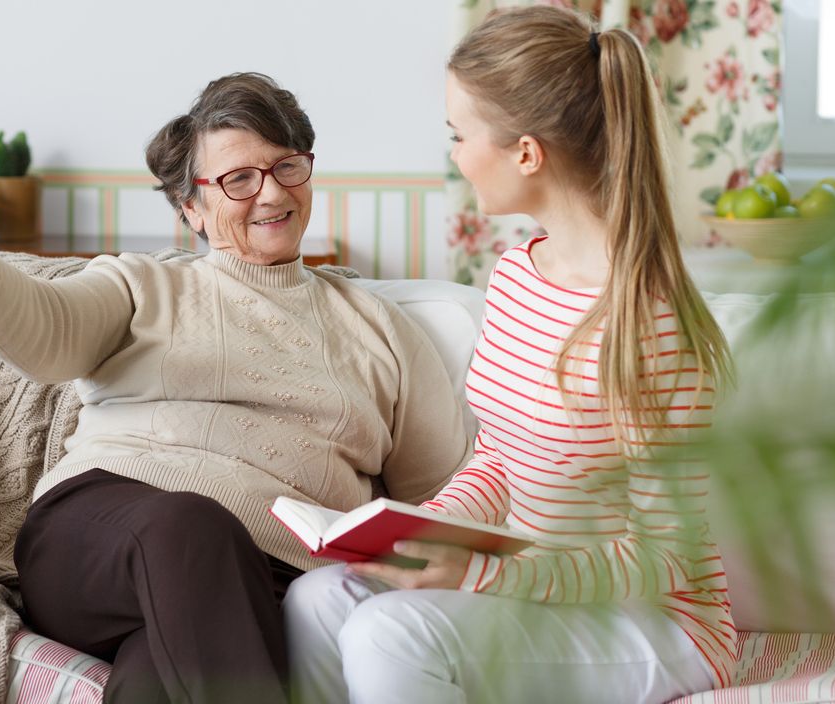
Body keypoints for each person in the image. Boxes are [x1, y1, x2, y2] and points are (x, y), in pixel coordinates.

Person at [0, 72, 469, 704]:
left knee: (154, 678)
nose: (270, 192)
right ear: (191, 206)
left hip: (266, 580)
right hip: (98, 541)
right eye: (238, 179)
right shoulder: (145, 285)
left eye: (287, 167)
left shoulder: (380, 328)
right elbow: (47, 330)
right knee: (194, 525)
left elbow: (441, 495)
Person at [284, 7, 737, 703]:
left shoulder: (651, 324)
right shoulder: (518, 273)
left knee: (389, 634)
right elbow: (501, 455)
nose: (455, 153)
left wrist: (483, 577)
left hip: (654, 621)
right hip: (540, 590)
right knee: (318, 599)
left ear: (526, 153)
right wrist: (418, 532)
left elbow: (663, 554)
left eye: (460, 134)